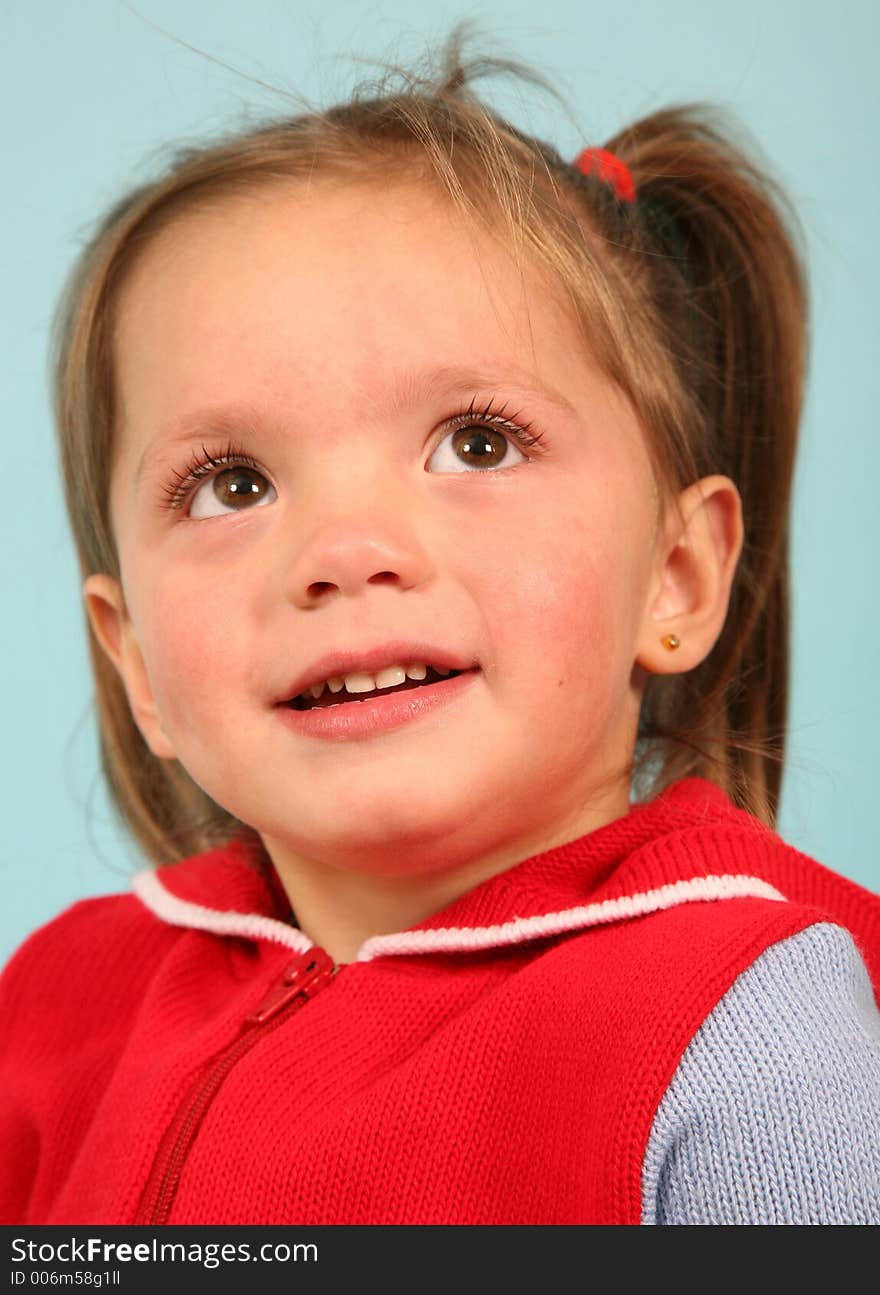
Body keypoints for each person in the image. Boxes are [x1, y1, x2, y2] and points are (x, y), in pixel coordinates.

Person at [1, 34, 878, 1226]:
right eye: (232, 484)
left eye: (478, 442)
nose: (344, 549)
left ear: (673, 575)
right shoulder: (55, 1004)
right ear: (135, 661)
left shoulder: (747, 1032)